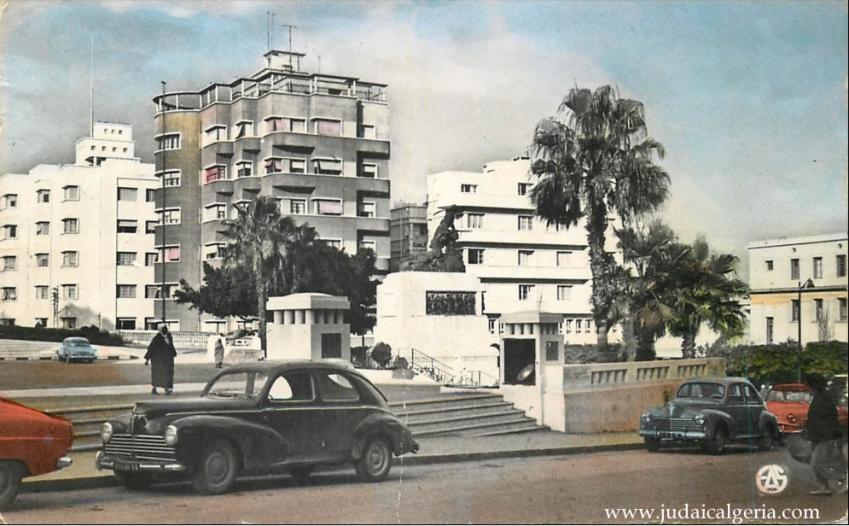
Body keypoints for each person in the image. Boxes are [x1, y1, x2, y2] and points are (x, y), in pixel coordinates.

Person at [804, 372, 847, 495]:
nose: (806, 386)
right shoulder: (821, 396)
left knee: (817, 464)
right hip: (820, 436)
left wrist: (817, 433)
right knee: (818, 462)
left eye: (807, 384)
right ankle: (824, 487)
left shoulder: (823, 398)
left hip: (825, 437)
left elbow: (824, 419)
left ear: (813, 384)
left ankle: (842, 478)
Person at [145, 324, 177, 395]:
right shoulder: (157, 338)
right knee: (159, 374)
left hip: (168, 360)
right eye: (164, 329)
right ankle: (157, 389)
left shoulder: (169, 337)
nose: (165, 330)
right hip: (158, 361)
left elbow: (171, 346)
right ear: (160, 330)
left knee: (167, 374)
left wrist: (174, 353)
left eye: (166, 329)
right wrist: (147, 358)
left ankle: (166, 389)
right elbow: (151, 348)